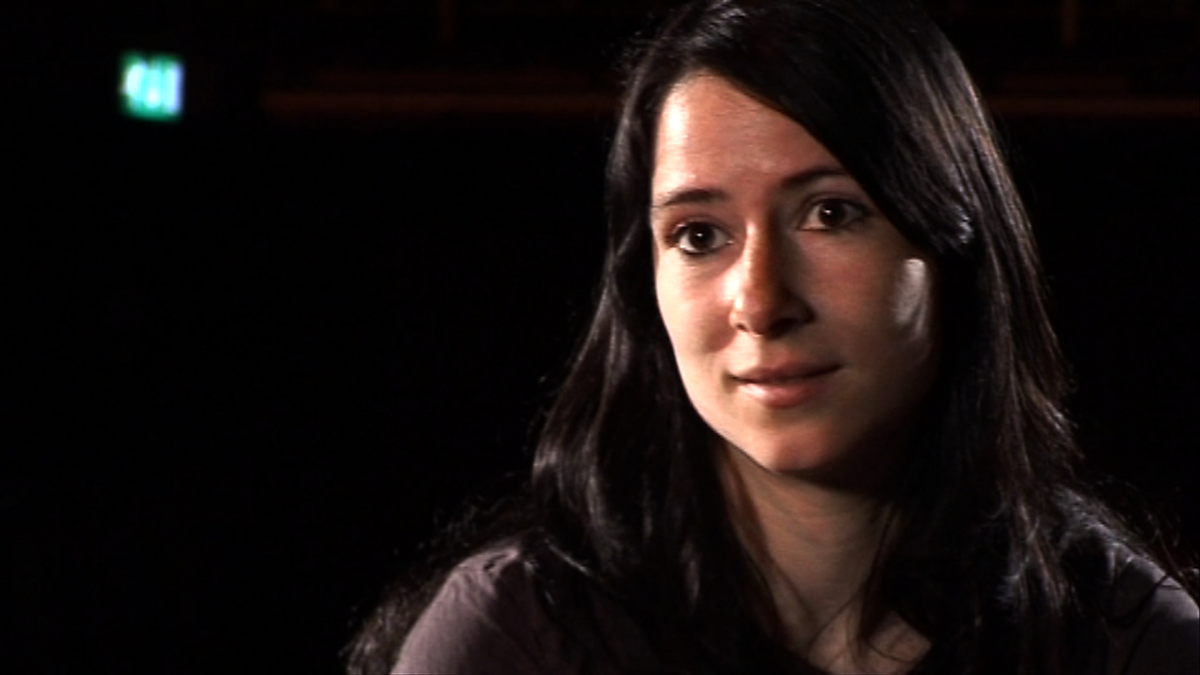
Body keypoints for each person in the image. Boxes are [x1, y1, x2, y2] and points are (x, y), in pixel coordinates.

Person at [347, 1, 1199, 673]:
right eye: (699, 235)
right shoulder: (515, 637)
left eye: (830, 214)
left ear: (955, 252)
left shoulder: (1125, 638)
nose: (760, 301)